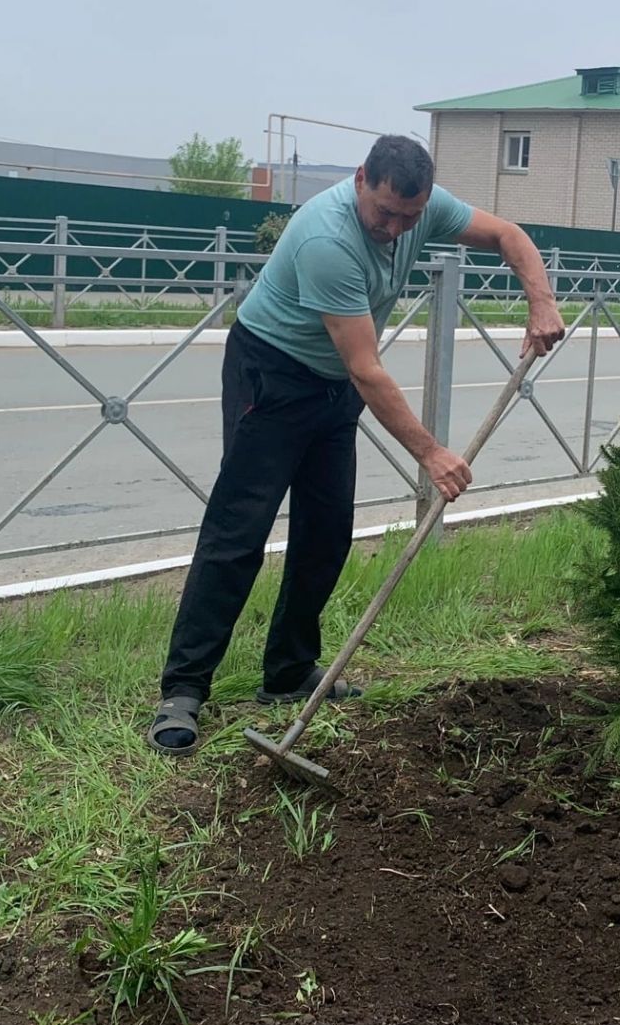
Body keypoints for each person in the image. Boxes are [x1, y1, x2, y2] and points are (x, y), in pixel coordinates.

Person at [147, 136, 563, 755]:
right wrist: (430, 452)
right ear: (361, 178)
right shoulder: (328, 238)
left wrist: (542, 299)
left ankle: (287, 672)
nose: (395, 228)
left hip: (332, 382)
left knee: (328, 530)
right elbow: (368, 369)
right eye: (385, 212)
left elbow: (509, 235)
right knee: (239, 532)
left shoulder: (425, 206)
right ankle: (183, 691)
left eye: (410, 217)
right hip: (274, 372)